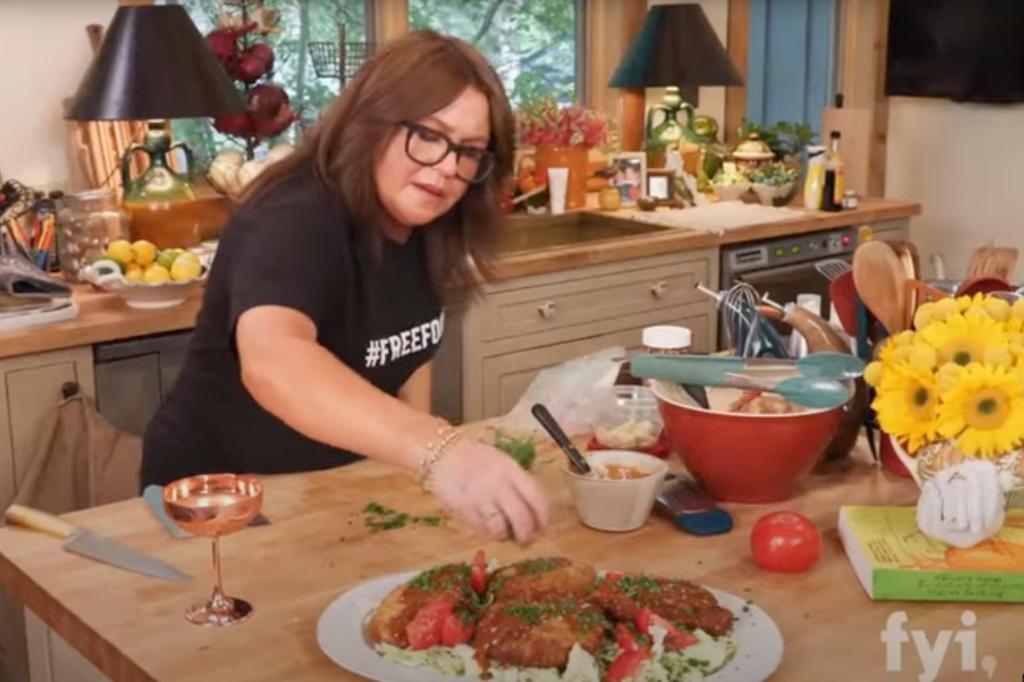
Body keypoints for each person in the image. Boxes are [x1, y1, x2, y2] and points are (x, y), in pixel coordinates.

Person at [141, 30, 549, 543]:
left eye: (469, 151)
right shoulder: (295, 215)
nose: (447, 167)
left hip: (328, 492)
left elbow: (409, 350)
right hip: (220, 498)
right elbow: (274, 363)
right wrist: (441, 450)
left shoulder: (429, 222)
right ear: (372, 121)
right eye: (428, 135)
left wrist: (421, 476)